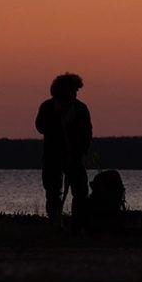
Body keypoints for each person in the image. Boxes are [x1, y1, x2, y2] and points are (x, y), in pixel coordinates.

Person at [36, 73, 93, 225]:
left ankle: (77, 224)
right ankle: (55, 223)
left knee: (81, 192)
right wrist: (56, 119)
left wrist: (82, 151)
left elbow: (87, 133)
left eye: (76, 90)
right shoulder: (47, 107)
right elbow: (40, 127)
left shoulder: (80, 108)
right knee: (53, 192)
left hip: (74, 157)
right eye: (72, 90)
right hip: (52, 157)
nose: (75, 93)